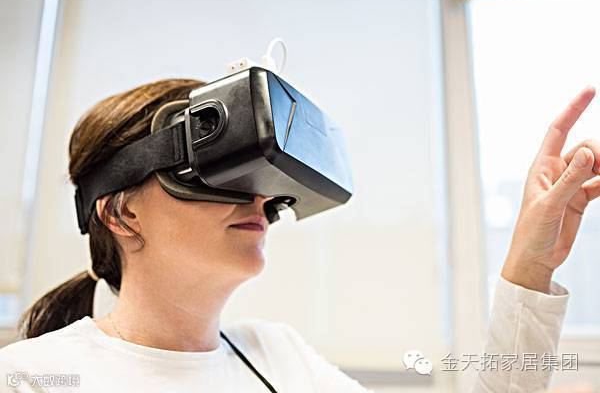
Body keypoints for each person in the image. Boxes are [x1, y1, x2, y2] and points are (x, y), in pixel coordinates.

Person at [1, 79, 599, 393]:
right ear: (120, 212)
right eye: (219, 173)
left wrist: (531, 265)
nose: (260, 201)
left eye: (262, 179)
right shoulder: (34, 377)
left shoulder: (277, 355)